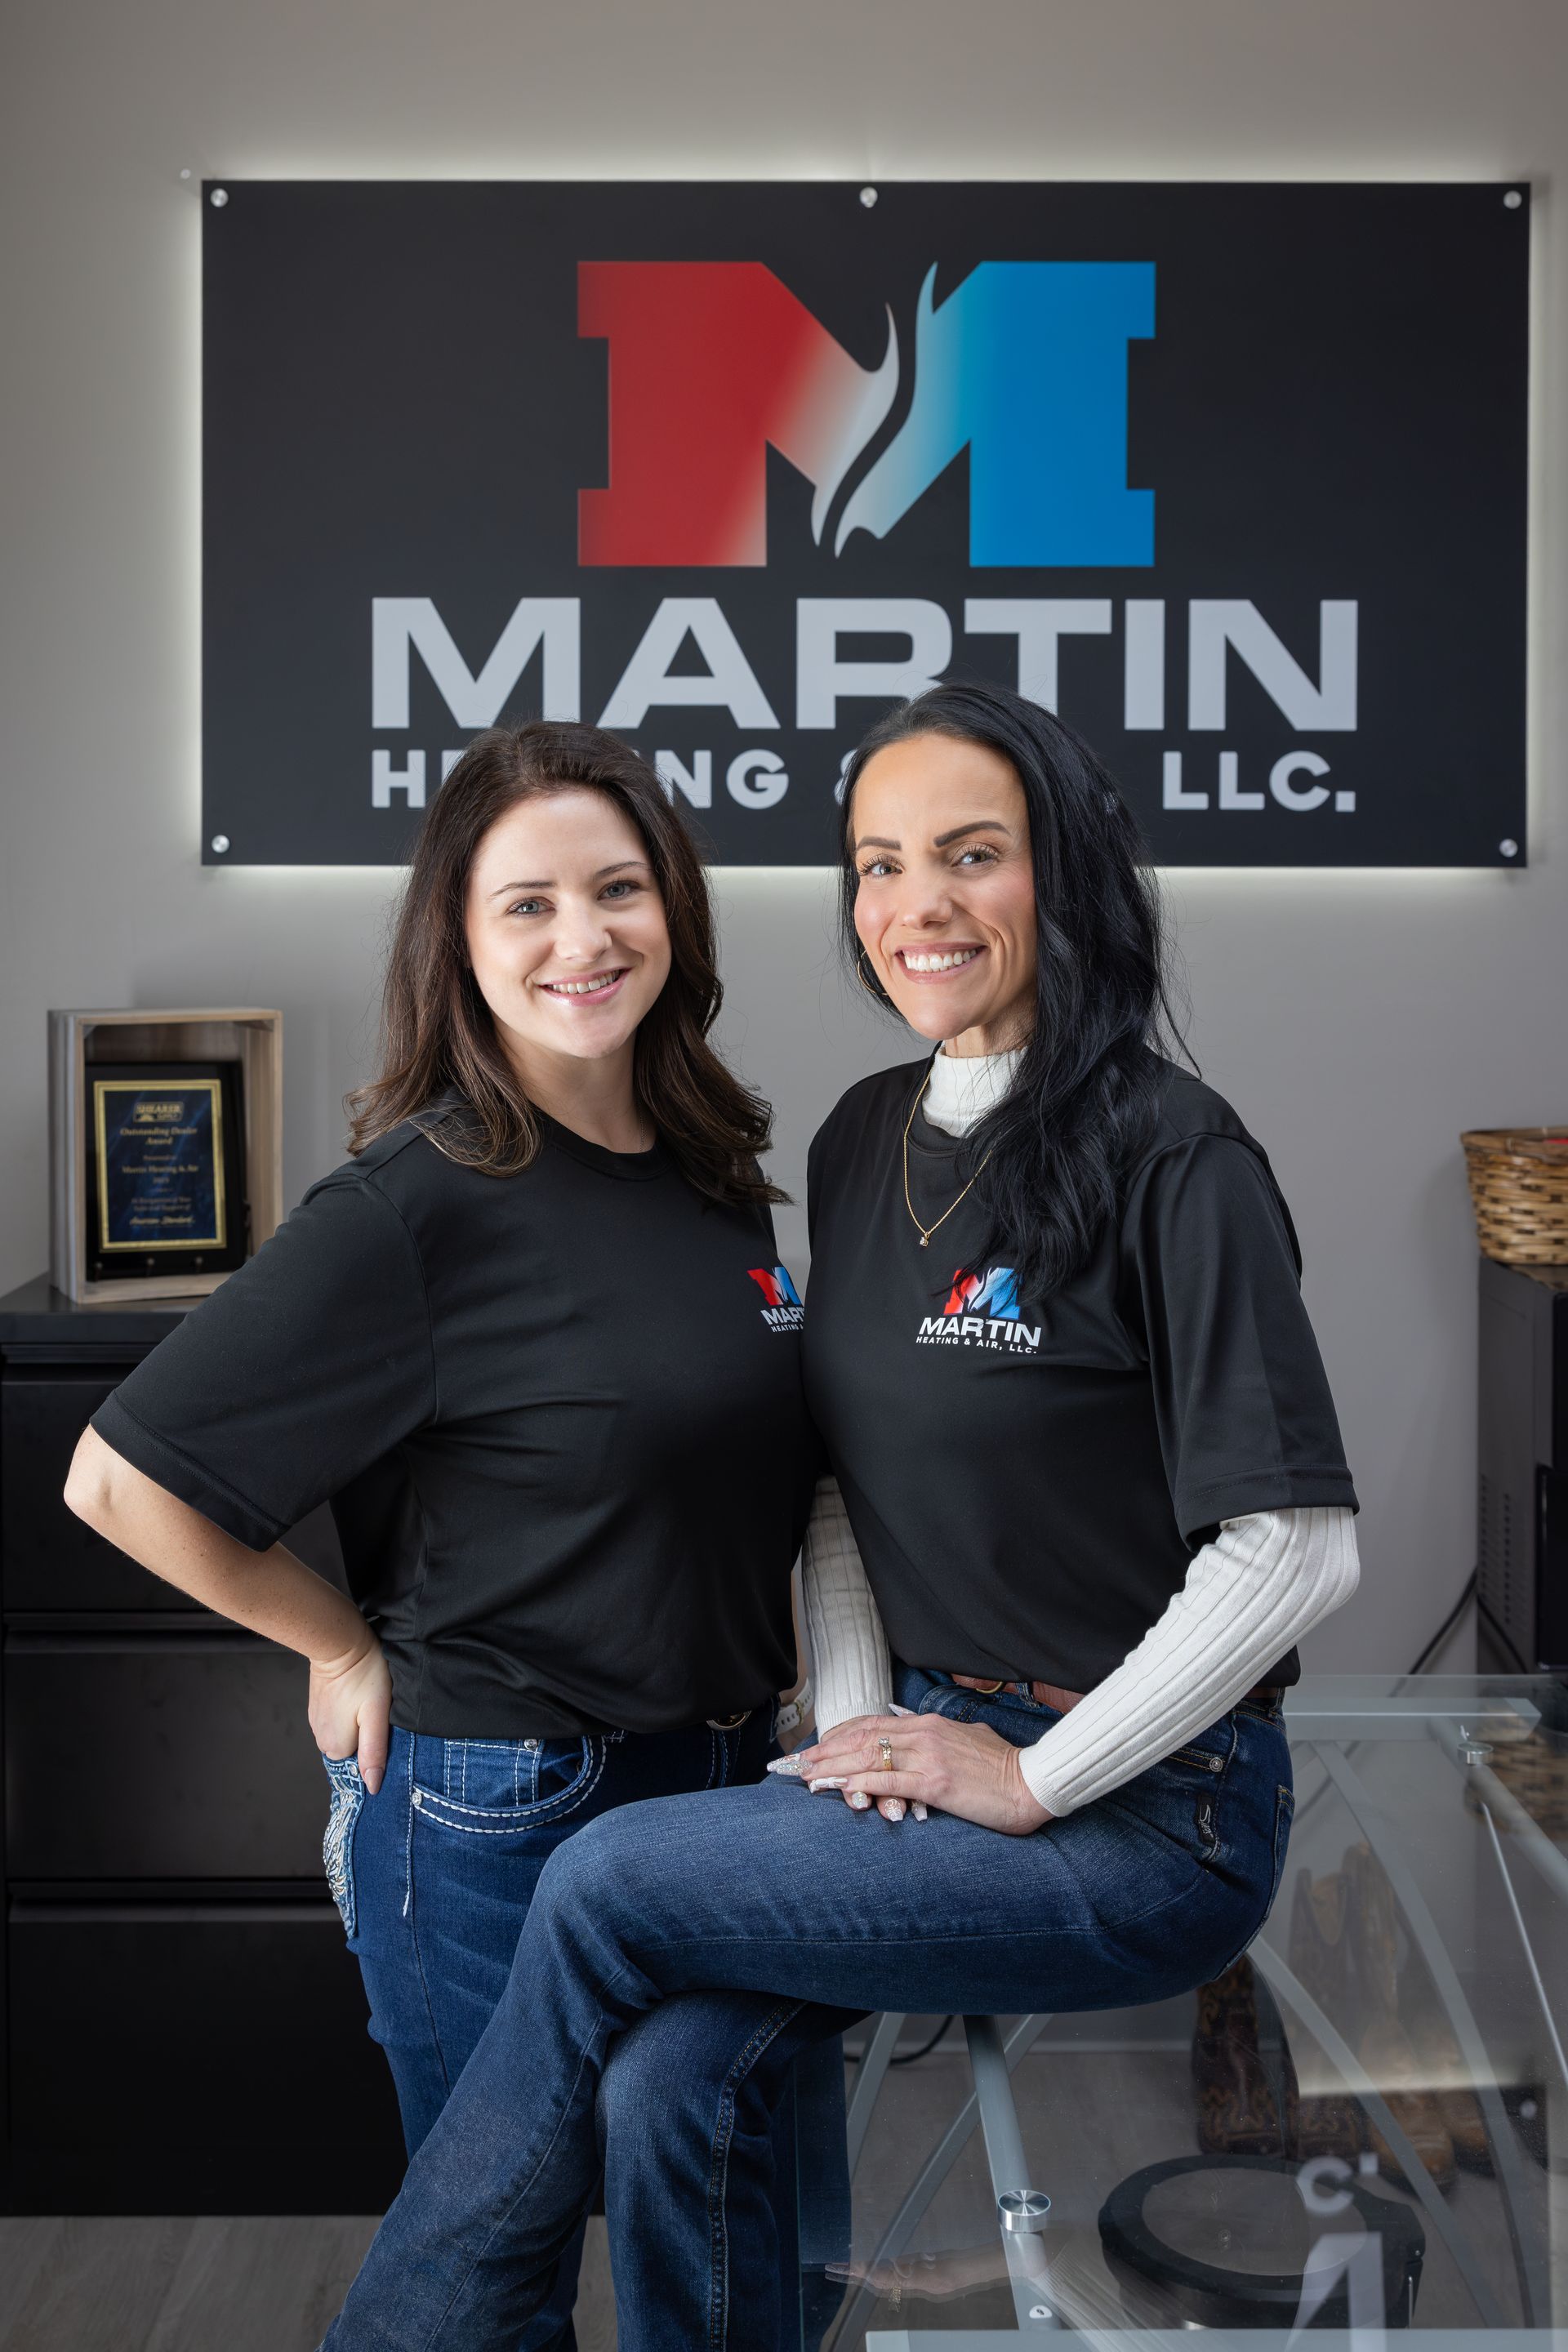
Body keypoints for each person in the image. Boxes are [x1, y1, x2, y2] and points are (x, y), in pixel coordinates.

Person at [317, 680, 1362, 2352]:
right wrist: (867, 1732)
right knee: (672, 2079)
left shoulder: (1179, 1157)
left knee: (597, 1888)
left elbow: (1299, 1547)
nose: (916, 905)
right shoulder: (868, 1133)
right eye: (878, 864)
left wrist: (1034, 1778)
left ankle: (403, 2333)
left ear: (1065, 872)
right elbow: (836, 1490)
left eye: (971, 854)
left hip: (1156, 1817)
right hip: (937, 1757)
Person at [63, 720, 822, 2350]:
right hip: (506, 1810)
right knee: (489, 2275)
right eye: (527, 905)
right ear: (460, 947)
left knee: (736, 2233)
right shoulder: (415, 1203)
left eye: (617, 890)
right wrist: (337, 1640)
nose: (582, 938)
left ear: (673, 910)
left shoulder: (714, 1176)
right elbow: (119, 1479)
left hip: (721, 1789)